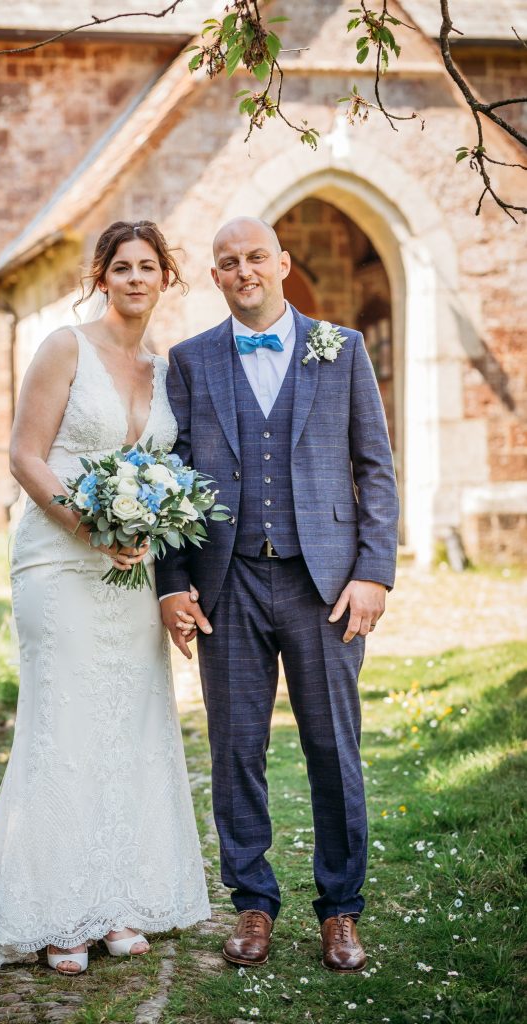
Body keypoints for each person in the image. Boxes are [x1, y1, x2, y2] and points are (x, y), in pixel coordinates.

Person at [0, 221, 210, 975]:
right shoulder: (63, 348)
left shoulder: (165, 369)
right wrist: (88, 526)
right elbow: (24, 455)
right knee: (65, 722)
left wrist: (147, 532)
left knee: (129, 723)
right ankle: (53, 913)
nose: (135, 278)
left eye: (148, 267)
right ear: (101, 277)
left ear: (165, 279)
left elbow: (169, 471)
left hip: (131, 570)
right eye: (122, 266)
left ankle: (114, 901)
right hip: (58, 559)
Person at [156, 217, 399, 973]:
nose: (244, 271)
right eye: (228, 262)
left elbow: (375, 468)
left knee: (333, 747)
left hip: (323, 586)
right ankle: (252, 902)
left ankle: (341, 909)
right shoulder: (189, 360)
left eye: (256, 257)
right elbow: (171, 479)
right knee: (235, 750)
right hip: (225, 584)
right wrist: (172, 583)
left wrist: (373, 572)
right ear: (216, 277)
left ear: (283, 263)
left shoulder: (341, 348)